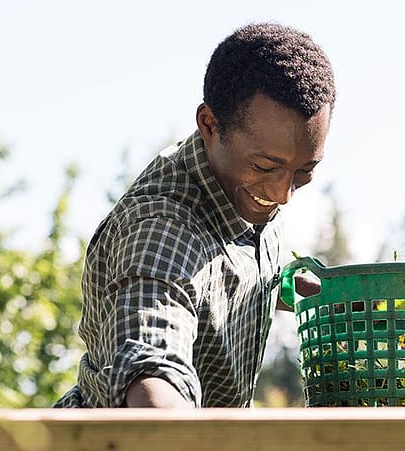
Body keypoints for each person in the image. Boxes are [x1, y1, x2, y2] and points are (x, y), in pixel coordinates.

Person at [54, 23, 335, 408]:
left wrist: (279, 284)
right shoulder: (161, 229)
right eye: (266, 166)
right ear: (210, 125)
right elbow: (152, 371)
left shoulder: (242, 190)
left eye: (304, 171)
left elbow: (222, 266)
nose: (282, 194)